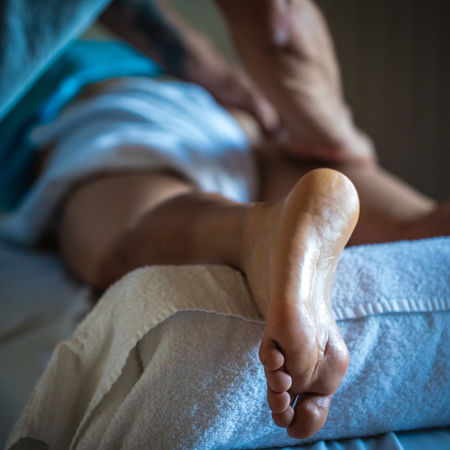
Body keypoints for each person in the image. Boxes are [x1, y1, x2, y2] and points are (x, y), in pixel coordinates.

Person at [3, 0, 448, 440]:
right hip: (228, 119)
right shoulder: (137, 54)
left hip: (110, 119)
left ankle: (250, 231)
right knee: (416, 226)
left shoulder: (37, 70)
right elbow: (279, 24)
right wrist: (336, 134)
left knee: (134, 228)